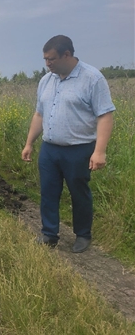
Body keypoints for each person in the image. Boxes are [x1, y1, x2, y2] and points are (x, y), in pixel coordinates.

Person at [22, 35, 115, 253]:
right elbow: (39, 115)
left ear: (67, 54)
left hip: (79, 150)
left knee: (78, 192)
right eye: (45, 59)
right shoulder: (46, 80)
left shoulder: (92, 78)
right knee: (48, 192)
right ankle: (49, 234)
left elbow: (105, 116)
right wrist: (29, 143)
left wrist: (99, 151)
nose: (47, 63)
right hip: (49, 149)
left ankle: (83, 235)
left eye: (51, 59)